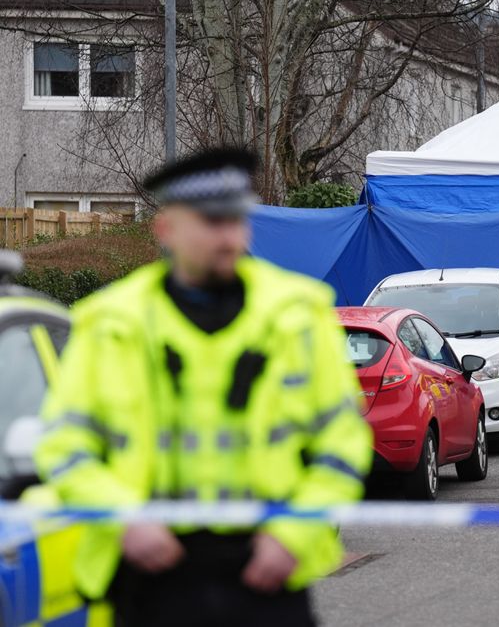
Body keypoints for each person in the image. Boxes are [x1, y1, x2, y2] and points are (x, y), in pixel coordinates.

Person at [35, 148, 373, 627]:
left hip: (266, 566)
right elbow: (64, 446)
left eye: (237, 221)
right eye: (212, 222)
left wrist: (294, 534)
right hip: (148, 569)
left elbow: (342, 441)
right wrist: (122, 518)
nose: (229, 236)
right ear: (167, 229)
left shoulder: (299, 314)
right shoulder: (111, 321)